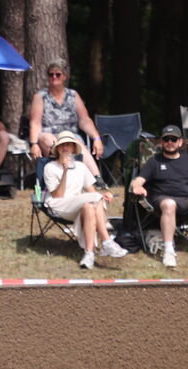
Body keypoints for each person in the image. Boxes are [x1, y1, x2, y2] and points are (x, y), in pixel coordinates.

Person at [43, 131, 126, 270]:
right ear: (57, 148)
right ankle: (106, 241)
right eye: (62, 145)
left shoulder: (81, 167)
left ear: (73, 148)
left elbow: (92, 192)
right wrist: (64, 171)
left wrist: (103, 195)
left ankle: (89, 254)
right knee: (92, 200)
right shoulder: (50, 167)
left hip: (78, 203)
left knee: (89, 205)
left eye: (68, 145)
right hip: (59, 205)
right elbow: (58, 195)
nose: (65, 148)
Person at [28, 60, 104, 183]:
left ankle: (97, 179)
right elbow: (35, 122)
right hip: (49, 134)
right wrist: (33, 143)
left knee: (77, 143)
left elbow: (84, 120)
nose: (54, 77)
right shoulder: (40, 96)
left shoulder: (73, 95)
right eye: (50, 74)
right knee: (49, 140)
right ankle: (69, 176)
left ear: (64, 76)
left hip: (70, 134)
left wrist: (97, 138)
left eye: (57, 74)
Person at [129, 124, 188, 268]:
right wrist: (136, 186)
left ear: (180, 142)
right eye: (166, 139)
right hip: (161, 199)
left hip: (185, 198)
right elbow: (138, 181)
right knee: (169, 204)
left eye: (173, 139)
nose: (170, 142)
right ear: (161, 142)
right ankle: (168, 250)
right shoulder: (154, 161)